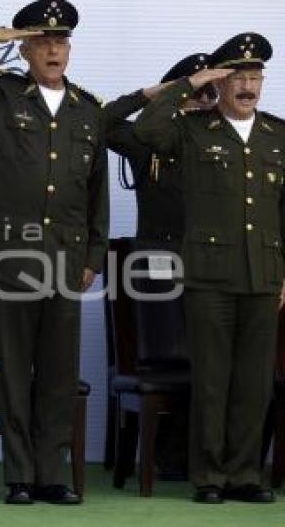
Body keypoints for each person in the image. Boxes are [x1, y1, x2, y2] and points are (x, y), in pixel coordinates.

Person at [0, 0, 109, 505]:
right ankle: (18, 475)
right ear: (28, 49)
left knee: (57, 371)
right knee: (15, 369)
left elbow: (97, 192)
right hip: (11, 254)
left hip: (65, 256)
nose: (53, 49)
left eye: (60, 42)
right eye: (43, 41)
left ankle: (50, 474)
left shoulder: (89, 109)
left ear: (69, 50)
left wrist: (93, 258)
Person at [135, 32, 281, 504]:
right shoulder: (194, 130)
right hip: (210, 275)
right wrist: (188, 83)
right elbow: (146, 131)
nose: (247, 85)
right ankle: (211, 478)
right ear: (219, 82)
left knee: (254, 383)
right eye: (237, 76)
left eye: (254, 76)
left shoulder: (279, 135)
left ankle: (245, 474)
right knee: (213, 381)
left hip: (264, 275)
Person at [104, 54, 216, 480]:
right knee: (176, 359)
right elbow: (101, 122)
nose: (206, 98)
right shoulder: (145, 138)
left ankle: (207, 455)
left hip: (212, 263)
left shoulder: (220, 137)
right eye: (197, 89)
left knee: (215, 359)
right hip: (159, 266)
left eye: (211, 90)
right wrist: (151, 94)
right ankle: (171, 457)